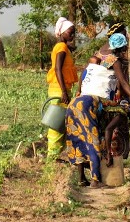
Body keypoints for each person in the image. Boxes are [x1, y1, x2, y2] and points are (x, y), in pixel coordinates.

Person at [66, 33, 130, 188]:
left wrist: (78, 91)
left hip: (74, 103)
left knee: (78, 140)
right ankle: (95, 180)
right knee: (93, 141)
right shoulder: (114, 63)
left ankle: (81, 179)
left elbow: (82, 78)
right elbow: (123, 84)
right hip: (88, 104)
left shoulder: (95, 64)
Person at [94, 23, 130, 111]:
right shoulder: (113, 57)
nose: (126, 37)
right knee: (122, 116)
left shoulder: (102, 52)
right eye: (124, 35)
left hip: (101, 91)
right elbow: (122, 80)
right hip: (114, 94)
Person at [46, 17, 78, 158]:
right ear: (62, 32)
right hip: (60, 90)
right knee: (57, 123)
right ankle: (52, 155)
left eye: (73, 32)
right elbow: (58, 69)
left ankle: (55, 154)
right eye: (70, 32)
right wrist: (64, 92)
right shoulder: (61, 47)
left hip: (61, 88)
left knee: (61, 123)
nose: (72, 35)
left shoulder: (63, 47)